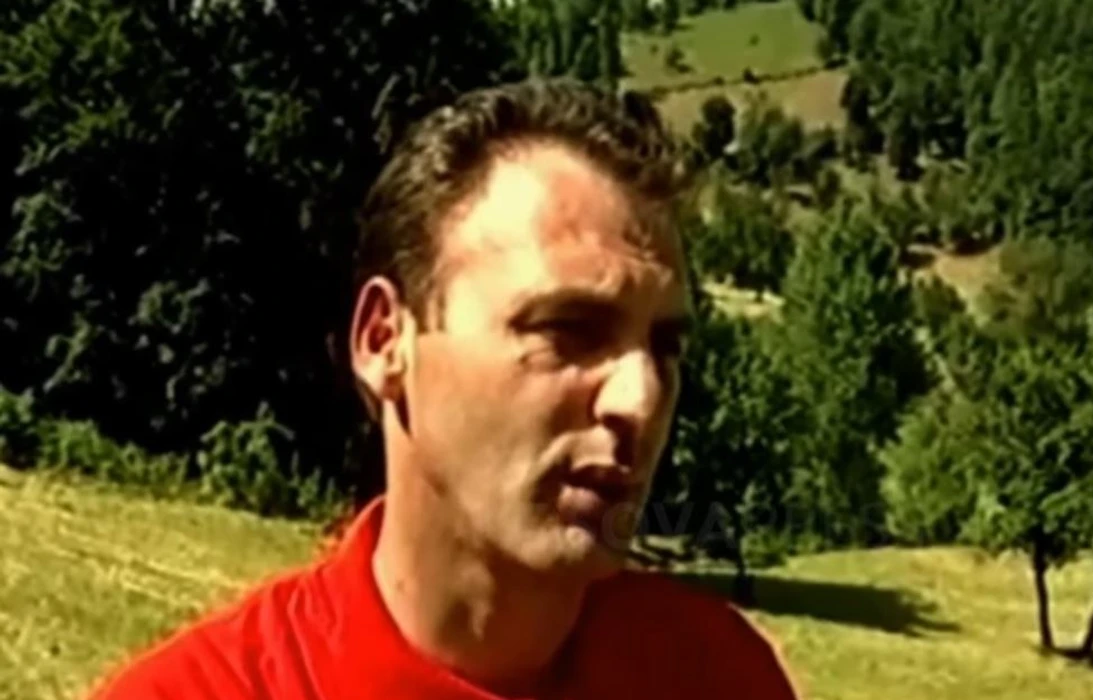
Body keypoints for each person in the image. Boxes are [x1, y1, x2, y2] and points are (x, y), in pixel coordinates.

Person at [89, 79, 800, 700]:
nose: (638, 399)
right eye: (568, 330)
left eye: (664, 349)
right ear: (384, 342)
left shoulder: (716, 676)